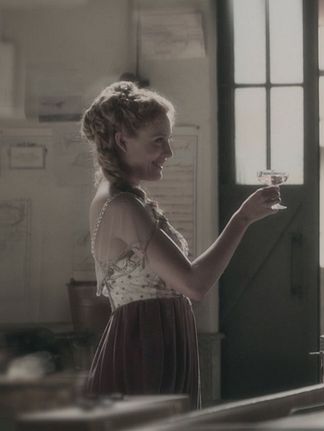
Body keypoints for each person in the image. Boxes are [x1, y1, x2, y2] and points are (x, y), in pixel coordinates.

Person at [81, 81, 281, 408]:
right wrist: (242, 218)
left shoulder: (126, 199)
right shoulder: (123, 205)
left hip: (158, 342)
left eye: (168, 140)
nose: (169, 152)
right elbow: (194, 284)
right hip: (143, 351)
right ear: (122, 140)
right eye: (158, 141)